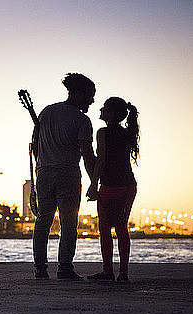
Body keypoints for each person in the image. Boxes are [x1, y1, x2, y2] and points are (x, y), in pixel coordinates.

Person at [32, 73, 97, 280]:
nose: (92, 101)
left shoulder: (46, 112)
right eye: (90, 96)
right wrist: (94, 181)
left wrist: (42, 166)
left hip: (43, 173)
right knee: (69, 223)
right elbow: (87, 154)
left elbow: (35, 146)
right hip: (68, 174)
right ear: (78, 93)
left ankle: (40, 269)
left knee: (43, 221)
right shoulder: (82, 120)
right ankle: (65, 268)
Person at [86, 97, 139, 282]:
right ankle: (123, 273)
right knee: (122, 228)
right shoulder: (127, 133)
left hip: (110, 186)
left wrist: (93, 185)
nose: (100, 109)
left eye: (104, 108)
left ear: (111, 113)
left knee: (105, 229)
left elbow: (101, 160)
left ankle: (108, 271)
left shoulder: (103, 132)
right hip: (129, 186)